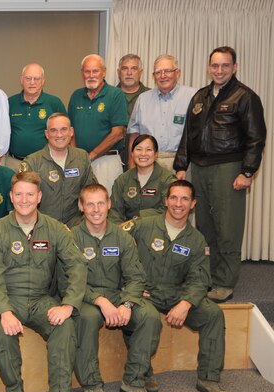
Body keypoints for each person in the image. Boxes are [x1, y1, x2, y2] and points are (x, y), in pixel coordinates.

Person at [0, 171, 87, 392]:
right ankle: (13, 390)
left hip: (41, 299)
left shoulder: (55, 229)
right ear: (11, 197)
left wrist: (68, 304)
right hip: (8, 298)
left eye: (30, 194)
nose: (24, 199)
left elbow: (77, 266)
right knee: (2, 330)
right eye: (19, 194)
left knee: (66, 325)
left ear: (39, 197)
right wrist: (4, 311)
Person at [124, 180, 232, 392]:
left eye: (184, 199)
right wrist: (127, 287)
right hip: (144, 292)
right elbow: (115, 250)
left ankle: (209, 379)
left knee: (213, 314)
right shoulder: (143, 226)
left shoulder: (196, 240)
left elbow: (200, 279)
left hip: (176, 293)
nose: (178, 204)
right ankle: (138, 377)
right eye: (173, 198)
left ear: (193, 204)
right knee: (149, 318)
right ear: (165, 200)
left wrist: (186, 303)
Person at [174, 46, 267, 303]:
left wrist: (247, 172)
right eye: (214, 65)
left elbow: (256, 138)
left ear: (234, 67)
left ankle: (225, 282)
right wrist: (181, 165)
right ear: (208, 67)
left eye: (225, 66)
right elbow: (187, 135)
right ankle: (209, 276)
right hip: (200, 168)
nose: (219, 70)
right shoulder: (200, 97)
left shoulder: (245, 96)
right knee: (204, 226)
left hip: (229, 168)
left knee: (228, 226)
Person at [71, 184, 161, 392]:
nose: (96, 209)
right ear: (81, 207)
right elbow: (70, 281)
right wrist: (101, 301)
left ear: (109, 204)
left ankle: (134, 381)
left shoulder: (122, 237)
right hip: (85, 296)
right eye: (89, 204)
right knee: (87, 318)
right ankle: (91, 384)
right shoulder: (71, 238)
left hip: (119, 295)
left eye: (101, 203)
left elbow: (136, 277)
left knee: (149, 315)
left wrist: (128, 304)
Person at [21, 113, 97, 227]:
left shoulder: (82, 157)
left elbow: (92, 193)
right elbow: (24, 200)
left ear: (71, 131)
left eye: (63, 129)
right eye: (53, 130)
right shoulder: (33, 162)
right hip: (43, 227)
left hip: (76, 226)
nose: (59, 135)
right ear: (47, 134)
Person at [68, 54, 129, 192]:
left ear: (104, 72)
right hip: (80, 162)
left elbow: (118, 134)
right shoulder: (76, 96)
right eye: (87, 71)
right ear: (82, 73)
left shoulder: (116, 95)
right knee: (80, 204)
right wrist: (77, 157)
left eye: (95, 71)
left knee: (104, 205)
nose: (91, 75)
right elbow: (70, 131)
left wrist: (91, 156)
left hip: (106, 161)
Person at [127, 54, 197, 172]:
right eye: (158, 72)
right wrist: (132, 165)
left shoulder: (193, 96)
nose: (163, 76)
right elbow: (134, 134)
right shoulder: (143, 99)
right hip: (148, 162)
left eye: (168, 71)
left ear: (178, 73)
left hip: (181, 163)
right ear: (154, 76)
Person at [7, 63, 67, 170]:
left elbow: (65, 133)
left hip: (44, 163)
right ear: (21, 80)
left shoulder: (54, 103)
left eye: (36, 79)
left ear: (43, 81)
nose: (32, 82)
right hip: (14, 163)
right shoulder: (10, 103)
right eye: (28, 78)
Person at [109, 135, 176, 223]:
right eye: (139, 149)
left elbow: (169, 210)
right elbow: (115, 212)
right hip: (126, 232)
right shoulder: (123, 180)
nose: (143, 154)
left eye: (149, 149)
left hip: (158, 230)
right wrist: (121, 232)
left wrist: (139, 219)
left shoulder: (168, 180)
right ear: (132, 154)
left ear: (156, 154)